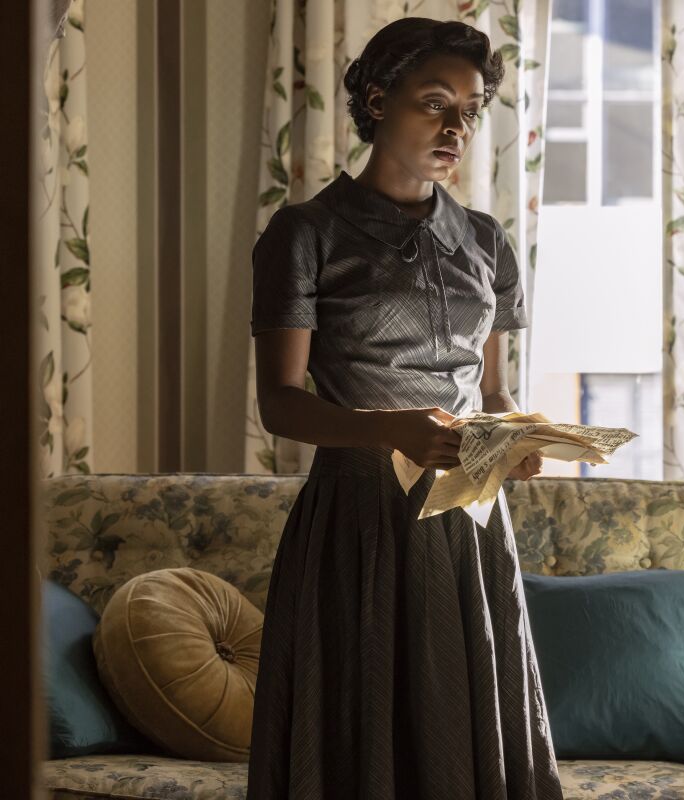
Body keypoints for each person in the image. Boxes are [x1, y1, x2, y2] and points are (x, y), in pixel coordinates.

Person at [246, 18, 562, 800]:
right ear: (379, 101)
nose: (456, 127)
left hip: (469, 524)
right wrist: (389, 430)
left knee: (473, 730)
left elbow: (491, 394)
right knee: (361, 736)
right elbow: (281, 404)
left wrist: (516, 436)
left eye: (471, 109)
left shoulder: (487, 242)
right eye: (435, 103)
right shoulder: (304, 234)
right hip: (358, 521)